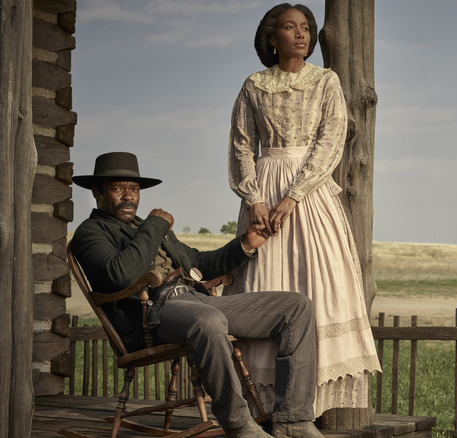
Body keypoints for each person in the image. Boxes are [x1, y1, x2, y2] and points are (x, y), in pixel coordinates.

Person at [70, 151, 324, 438]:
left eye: (135, 189)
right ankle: (239, 424)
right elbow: (120, 274)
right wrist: (155, 226)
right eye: (118, 189)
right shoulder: (90, 232)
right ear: (96, 192)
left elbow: (198, 262)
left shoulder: (145, 228)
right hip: (151, 315)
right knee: (208, 319)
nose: (129, 196)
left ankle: (293, 420)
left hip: (196, 301)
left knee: (297, 307)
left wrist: (245, 245)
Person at [224, 3, 381, 418]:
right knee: (261, 281)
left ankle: (304, 405)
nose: (301, 34)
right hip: (262, 194)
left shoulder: (326, 81)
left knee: (319, 282)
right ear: (271, 38)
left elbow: (331, 140)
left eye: (306, 27)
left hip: (308, 196)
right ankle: (259, 404)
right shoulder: (253, 85)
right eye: (289, 27)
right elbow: (242, 143)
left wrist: (294, 196)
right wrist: (253, 197)